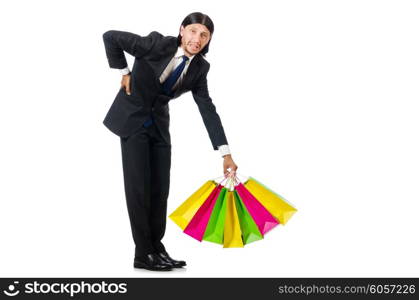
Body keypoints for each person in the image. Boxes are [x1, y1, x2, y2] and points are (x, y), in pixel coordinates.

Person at [102, 12, 238, 271]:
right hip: (133, 122)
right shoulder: (155, 44)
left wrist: (225, 153)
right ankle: (142, 253)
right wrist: (124, 71)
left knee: (160, 190)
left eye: (204, 35)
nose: (197, 39)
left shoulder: (200, 68)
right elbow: (110, 37)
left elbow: (207, 108)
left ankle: (155, 247)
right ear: (182, 30)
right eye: (194, 31)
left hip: (159, 128)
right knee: (139, 189)